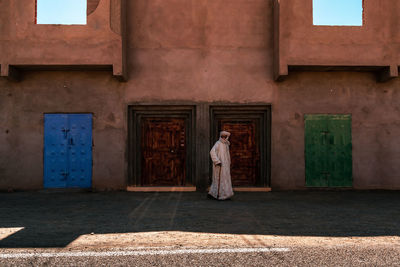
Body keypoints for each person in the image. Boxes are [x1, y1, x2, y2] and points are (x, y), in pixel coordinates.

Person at [208, 131, 234, 200]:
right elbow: (212, 152)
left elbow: (227, 156)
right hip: (219, 165)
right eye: (223, 136)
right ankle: (217, 194)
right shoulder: (218, 143)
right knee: (218, 180)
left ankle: (226, 194)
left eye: (225, 136)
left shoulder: (226, 145)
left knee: (226, 180)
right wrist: (217, 161)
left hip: (225, 166)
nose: (224, 138)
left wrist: (229, 163)